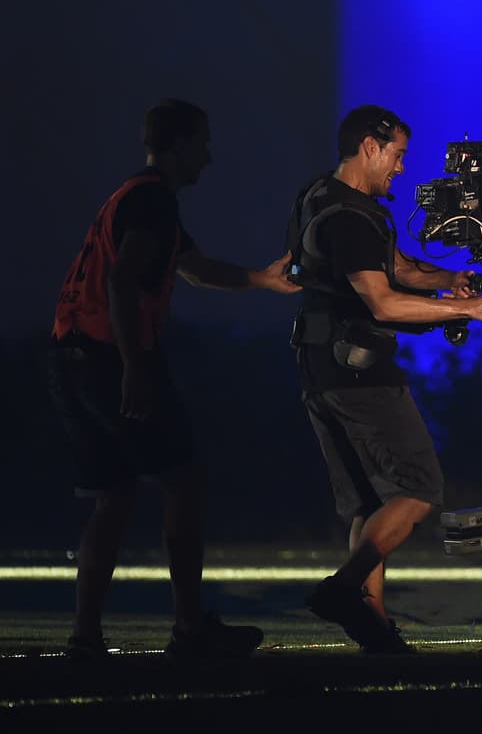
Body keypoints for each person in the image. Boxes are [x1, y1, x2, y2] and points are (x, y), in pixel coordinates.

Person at [48, 98, 301, 660]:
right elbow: (121, 282)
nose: (208, 157)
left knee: (114, 496)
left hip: (70, 353)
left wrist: (264, 279)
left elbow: (195, 268)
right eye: (202, 143)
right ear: (179, 144)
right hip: (107, 355)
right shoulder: (152, 200)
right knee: (185, 482)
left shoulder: (135, 196)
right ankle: (190, 628)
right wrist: (135, 367)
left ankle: (85, 636)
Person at [286, 104, 482, 654]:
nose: (402, 168)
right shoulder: (348, 217)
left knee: (368, 503)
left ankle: (374, 630)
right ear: (370, 146)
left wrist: (450, 279)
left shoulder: (324, 198)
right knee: (418, 488)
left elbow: (398, 267)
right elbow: (384, 303)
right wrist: (471, 308)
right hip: (358, 374)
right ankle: (343, 590)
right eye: (397, 154)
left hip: (321, 369)